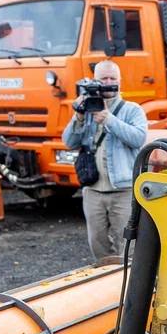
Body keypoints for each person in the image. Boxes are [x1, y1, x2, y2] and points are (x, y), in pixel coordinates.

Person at [61, 60, 148, 260]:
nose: (108, 82)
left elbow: (138, 138)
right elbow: (68, 142)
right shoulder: (88, 109)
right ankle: (105, 283)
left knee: (127, 245)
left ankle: (126, 286)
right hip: (93, 191)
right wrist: (79, 117)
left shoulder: (132, 110)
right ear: (94, 81)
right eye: (103, 79)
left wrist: (110, 120)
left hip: (123, 190)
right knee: (97, 243)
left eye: (112, 78)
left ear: (120, 81)